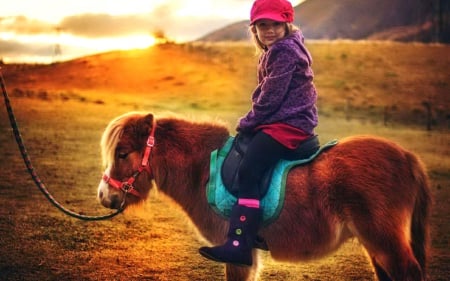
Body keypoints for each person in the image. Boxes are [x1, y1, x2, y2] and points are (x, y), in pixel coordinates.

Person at [199, 0, 318, 266]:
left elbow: (270, 99)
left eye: (276, 24)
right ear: (255, 30)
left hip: (287, 125)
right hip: (283, 121)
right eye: (263, 25)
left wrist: (247, 122)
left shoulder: (283, 51)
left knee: (249, 171)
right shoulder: (280, 49)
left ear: (286, 23)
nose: (270, 30)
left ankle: (239, 245)